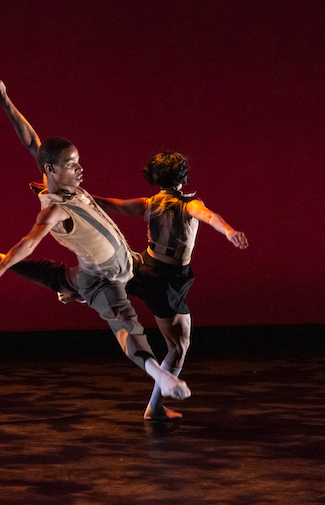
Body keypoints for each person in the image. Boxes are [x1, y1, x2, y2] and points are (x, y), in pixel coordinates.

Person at [0, 65, 190, 401]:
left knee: (60, 279)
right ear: (51, 170)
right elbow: (29, 241)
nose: (80, 169)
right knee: (123, 320)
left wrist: (4, 99)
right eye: (72, 164)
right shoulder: (54, 209)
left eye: (79, 162)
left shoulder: (70, 186)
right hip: (102, 280)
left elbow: (32, 141)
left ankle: (23, 270)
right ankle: (159, 374)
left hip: (128, 262)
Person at [94, 151, 248, 419]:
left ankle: (78, 290)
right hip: (166, 281)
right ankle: (154, 409)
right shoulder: (188, 204)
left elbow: (108, 204)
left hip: (145, 269)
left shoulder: (148, 203)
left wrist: (66, 195)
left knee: (122, 274)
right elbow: (209, 216)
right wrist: (229, 231)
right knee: (178, 347)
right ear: (182, 177)